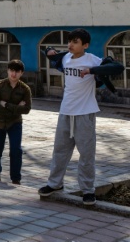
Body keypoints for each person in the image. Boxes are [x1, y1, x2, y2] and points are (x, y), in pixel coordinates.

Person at [38, 28, 123, 206]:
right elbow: (52, 55)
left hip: (85, 113)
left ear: (85, 45)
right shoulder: (66, 58)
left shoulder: (92, 59)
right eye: (69, 41)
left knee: (86, 155)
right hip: (65, 112)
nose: (70, 44)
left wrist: (92, 70)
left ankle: (88, 191)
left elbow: (118, 67)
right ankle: (54, 184)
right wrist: (49, 51)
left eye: (75, 42)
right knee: (60, 151)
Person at [0, 59, 31, 184]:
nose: (13, 74)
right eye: (11, 71)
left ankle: (16, 178)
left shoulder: (25, 89)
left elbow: (27, 109)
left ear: (21, 73)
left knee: (16, 151)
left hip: (15, 123)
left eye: (17, 71)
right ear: (7, 71)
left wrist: (6, 104)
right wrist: (17, 107)